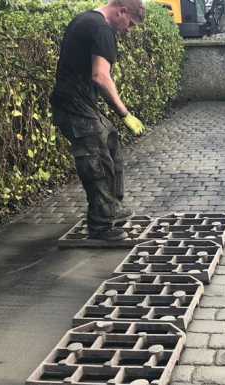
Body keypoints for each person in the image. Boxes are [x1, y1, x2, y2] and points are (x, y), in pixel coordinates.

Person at [51, 0, 146, 241]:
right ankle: (101, 227)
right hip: (73, 106)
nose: (128, 30)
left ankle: (111, 207)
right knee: (97, 161)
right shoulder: (102, 29)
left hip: (78, 103)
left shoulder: (86, 20)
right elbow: (101, 77)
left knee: (111, 141)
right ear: (121, 11)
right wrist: (125, 114)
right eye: (130, 24)